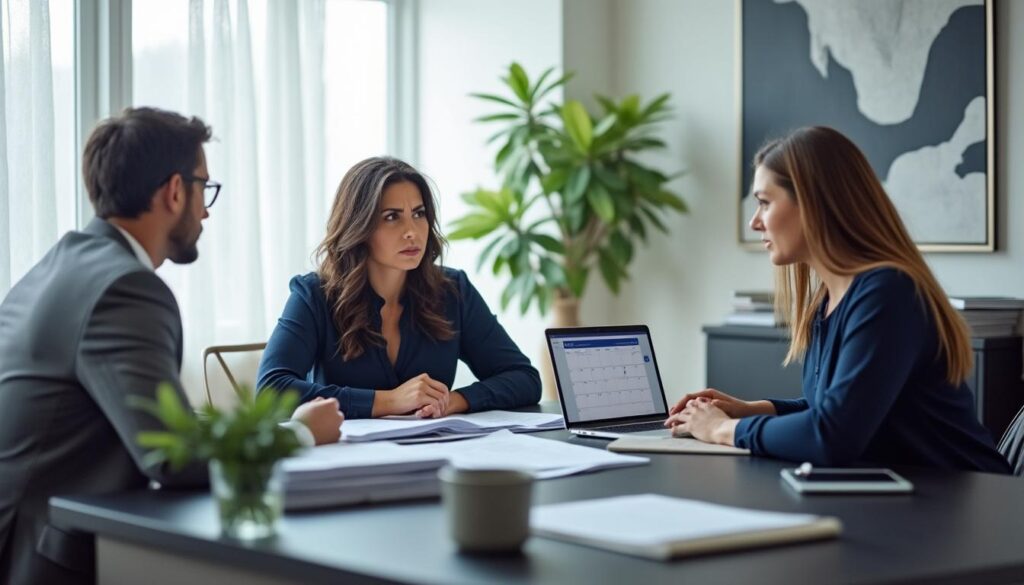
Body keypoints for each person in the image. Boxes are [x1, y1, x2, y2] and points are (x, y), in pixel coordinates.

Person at [0, 108, 345, 584]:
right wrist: (297, 433)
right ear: (176, 190)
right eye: (205, 188)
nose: (205, 211)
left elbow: (142, 420)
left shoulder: (61, 264)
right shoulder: (125, 288)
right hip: (47, 560)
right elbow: (172, 457)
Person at [664, 126, 1010, 474]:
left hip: (972, 495)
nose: (755, 222)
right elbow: (834, 410)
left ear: (813, 204)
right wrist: (752, 409)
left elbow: (831, 436)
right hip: (910, 490)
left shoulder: (888, 293)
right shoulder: (828, 299)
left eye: (765, 203)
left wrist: (722, 429)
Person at [257, 156, 541, 418]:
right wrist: (389, 401)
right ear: (359, 226)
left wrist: (452, 401)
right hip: (346, 453)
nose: (412, 231)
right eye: (392, 217)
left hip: (436, 450)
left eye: (419, 214)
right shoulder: (314, 295)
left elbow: (524, 378)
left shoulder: (453, 291)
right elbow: (271, 391)